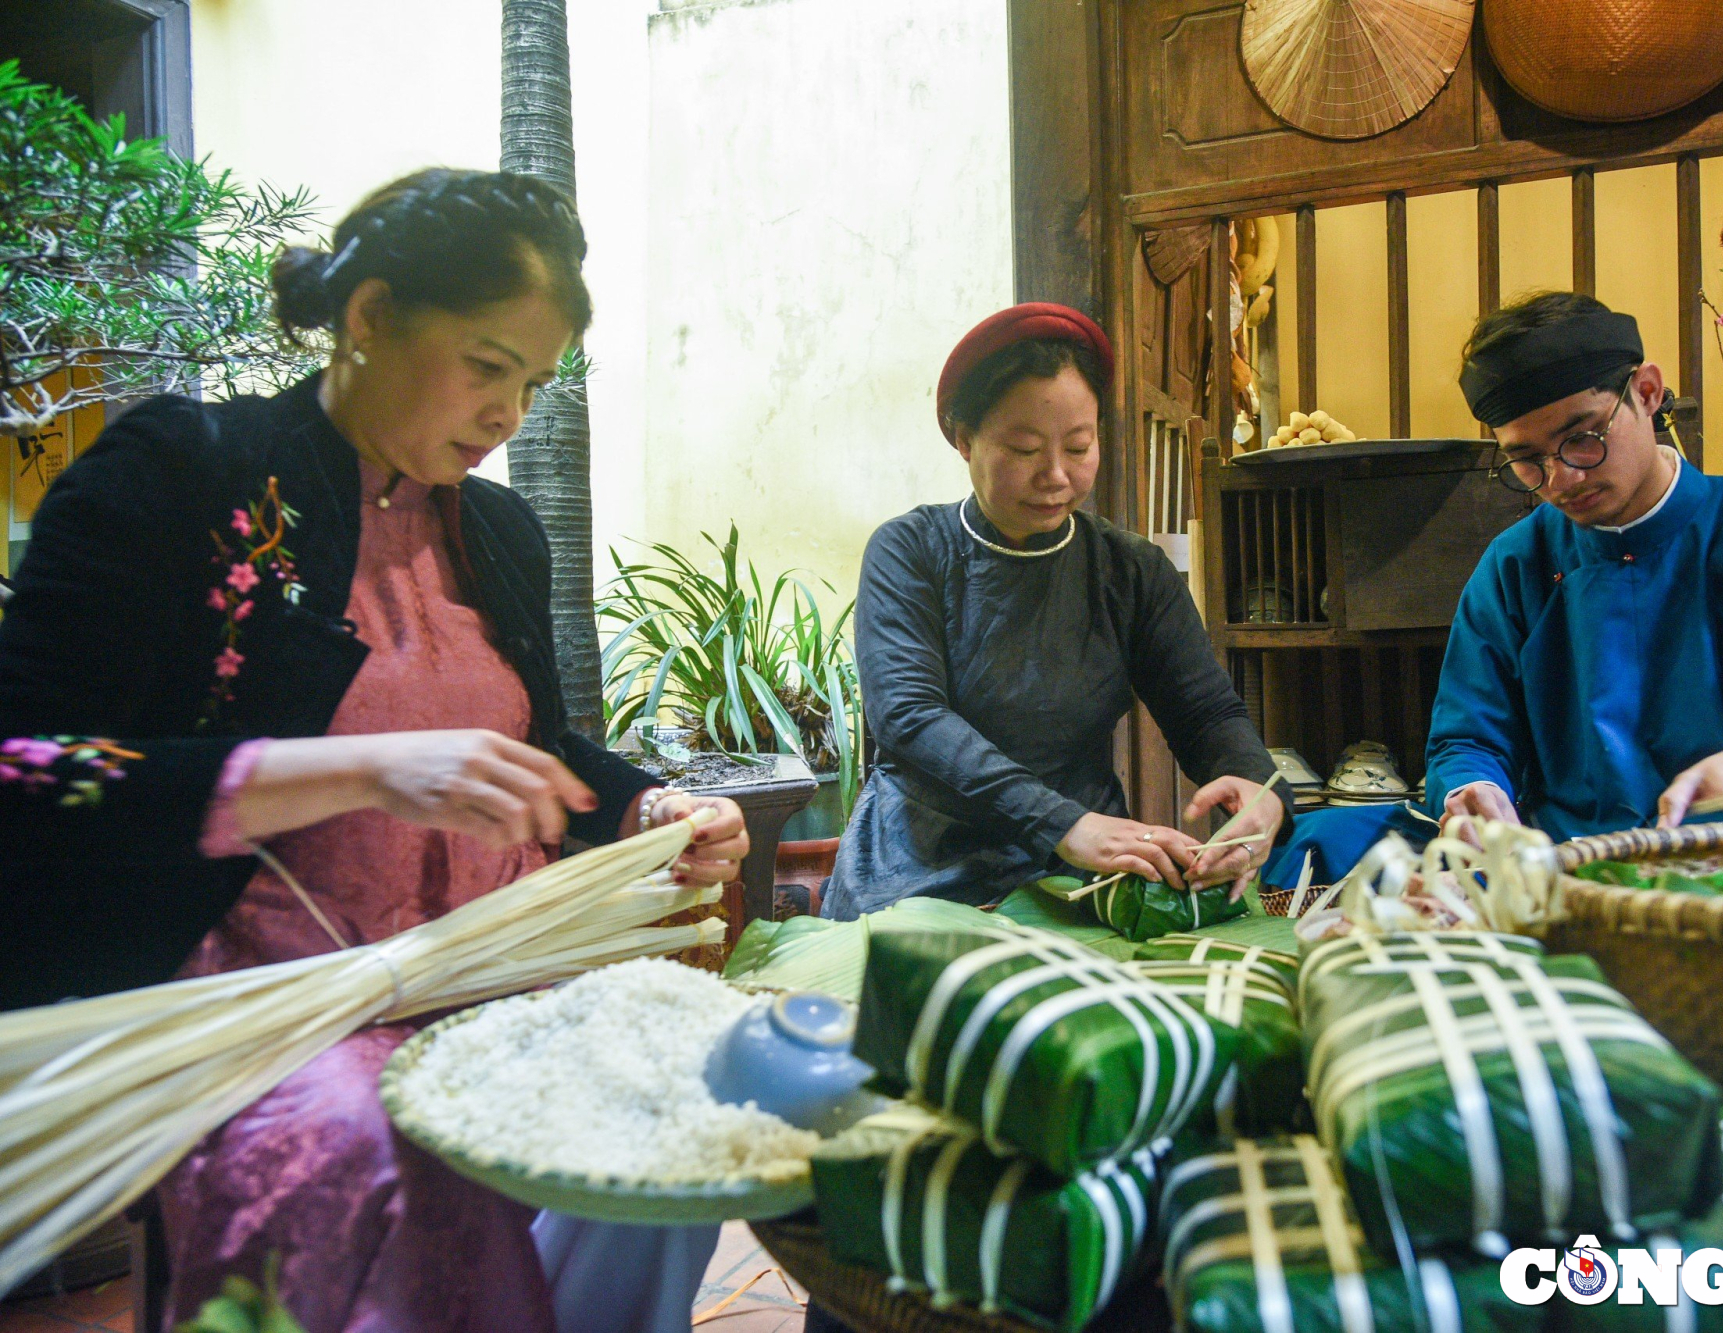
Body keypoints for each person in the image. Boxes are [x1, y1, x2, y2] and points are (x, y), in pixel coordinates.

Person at [0, 169, 749, 1332]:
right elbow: (26, 765)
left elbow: (532, 745)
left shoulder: (494, 525)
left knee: (688, 1106)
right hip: (268, 998)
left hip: (495, 968)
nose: (509, 414)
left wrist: (648, 804)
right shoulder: (183, 470)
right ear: (369, 317)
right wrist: (360, 766)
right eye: (487, 365)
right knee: (389, 1145)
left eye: (533, 383)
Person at [1265, 290, 1723, 886]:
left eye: (1583, 438)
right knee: (1321, 833)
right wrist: (1469, 792)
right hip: (1558, 874)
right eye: (1526, 461)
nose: (1562, 481)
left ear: (1646, 393)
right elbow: (1465, 737)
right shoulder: (1515, 564)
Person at [820, 303, 1289, 920]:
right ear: (964, 440)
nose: (1057, 476)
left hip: (1080, 875)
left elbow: (1205, 711)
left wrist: (1258, 788)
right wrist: (1065, 822)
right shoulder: (910, 551)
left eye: (1079, 446)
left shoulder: (1132, 571)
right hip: (919, 869)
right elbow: (910, 716)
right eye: (1023, 448)